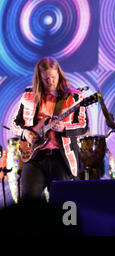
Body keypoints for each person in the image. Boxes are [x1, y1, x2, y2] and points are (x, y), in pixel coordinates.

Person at [10, 57, 88, 201]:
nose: (50, 81)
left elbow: (83, 126)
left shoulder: (74, 96)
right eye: (46, 78)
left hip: (61, 157)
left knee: (65, 206)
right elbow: (14, 123)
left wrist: (64, 127)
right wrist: (25, 133)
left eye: (53, 77)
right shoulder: (28, 95)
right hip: (35, 158)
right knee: (28, 201)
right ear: (39, 78)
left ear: (59, 74)